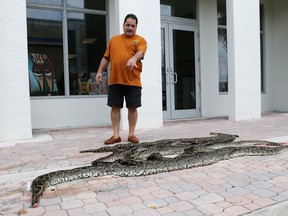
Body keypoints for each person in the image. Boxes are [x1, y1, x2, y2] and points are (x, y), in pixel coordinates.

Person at [96, 14, 147, 145]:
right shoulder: (114, 40)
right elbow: (106, 57)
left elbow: (140, 52)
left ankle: (131, 134)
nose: (130, 28)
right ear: (123, 25)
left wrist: (134, 58)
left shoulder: (141, 40)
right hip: (115, 80)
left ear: (136, 27)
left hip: (133, 81)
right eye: (128, 25)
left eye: (133, 26)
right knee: (115, 107)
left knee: (132, 107)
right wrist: (100, 71)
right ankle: (116, 135)